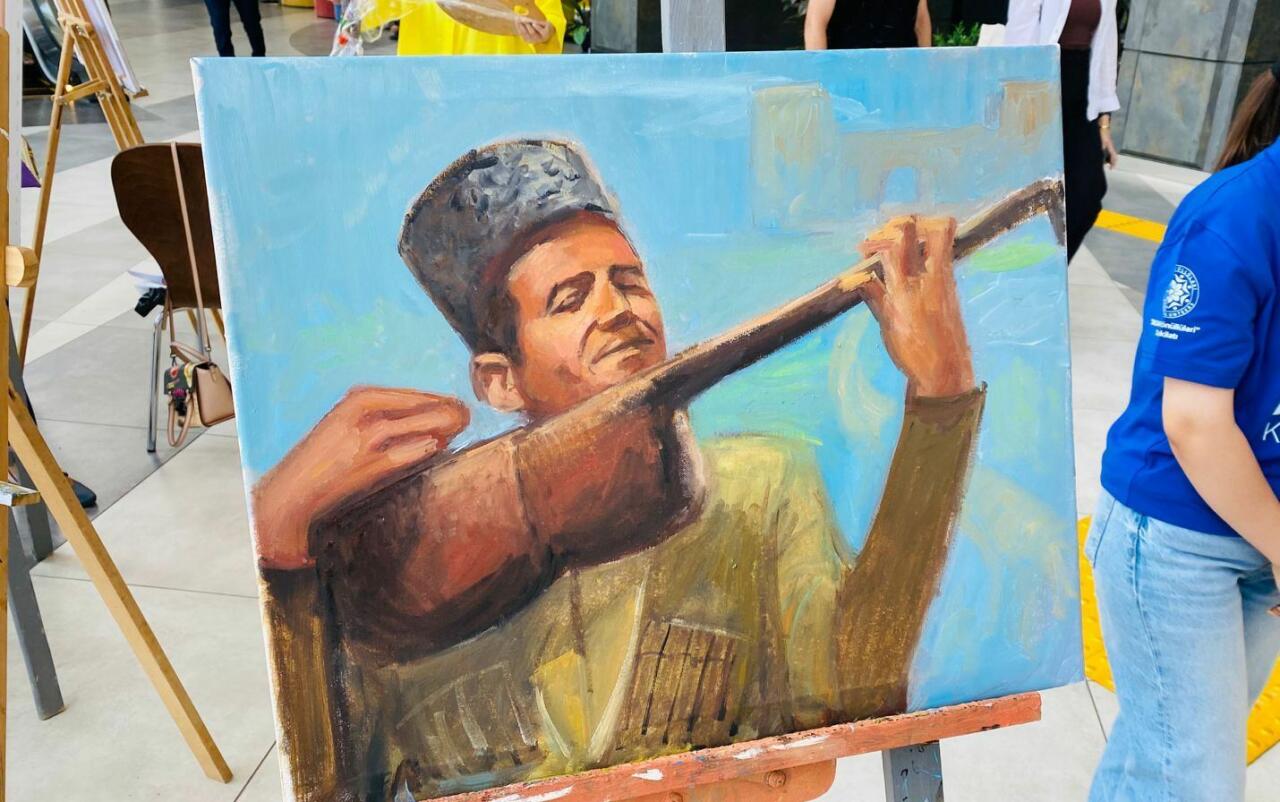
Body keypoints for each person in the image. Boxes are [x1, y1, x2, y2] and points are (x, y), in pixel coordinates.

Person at [250, 140, 984, 801]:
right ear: (500, 381)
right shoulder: (414, 555)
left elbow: (855, 689)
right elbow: (330, 784)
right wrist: (282, 545)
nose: (616, 309)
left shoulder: (764, 483)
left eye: (629, 282)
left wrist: (940, 398)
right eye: (569, 300)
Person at [1088, 64, 1280, 802]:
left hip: (1262, 535)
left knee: (1159, 759)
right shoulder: (1233, 218)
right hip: (1174, 537)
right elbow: (1195, 423)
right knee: (1197, 782)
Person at [1004, 0, 1119, 261]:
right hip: (1039, 91)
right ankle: (1027, 272)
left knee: (1089, 194)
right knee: (1028, 194)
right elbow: (1018, 37)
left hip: (1082, 98)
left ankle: (1049, 270)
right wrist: (1020, 104)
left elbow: (1107, 45)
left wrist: (1104, 123)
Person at [364, 0, 564, 55]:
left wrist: (545, 34)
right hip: (427, 89)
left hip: (496, 93)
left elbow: (550, 20)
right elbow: (366, 12)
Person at [804, 0, 932, 49]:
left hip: (900, 71)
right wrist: (819, 77)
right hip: (848, 71)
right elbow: (815, 23)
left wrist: (927, 65)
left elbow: (921, 20)